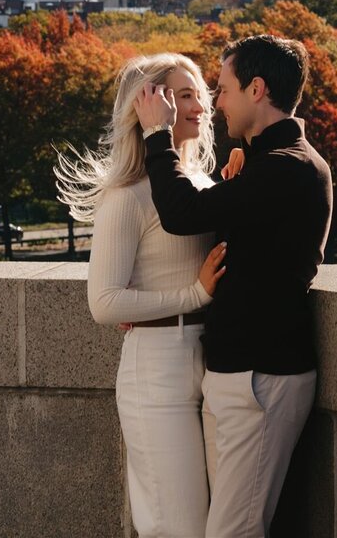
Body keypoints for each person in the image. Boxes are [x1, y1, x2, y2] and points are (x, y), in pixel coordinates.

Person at [134, 34, 333, 538]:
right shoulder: (267, 164)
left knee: (233, 533)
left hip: (261, 378)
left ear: (257, 89)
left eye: (222, 89)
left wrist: (158, 136)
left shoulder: (291, 167)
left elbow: (182, 214)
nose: (215, 102)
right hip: (235, 375)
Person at [55, 52, 237, 538]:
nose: (200, 105)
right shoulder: (128, 196)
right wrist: (194, 293)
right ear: (149, 106)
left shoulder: (199, 185)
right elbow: (105, 303)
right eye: (183, 95)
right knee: (178, 526)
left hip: (213, 364)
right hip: (156, 374)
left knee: (220, 524)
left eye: (200, 92)